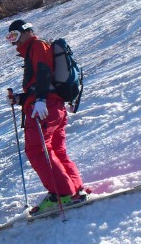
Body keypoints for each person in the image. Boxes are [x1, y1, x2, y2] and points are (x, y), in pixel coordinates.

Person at [6, 19, 87, 213]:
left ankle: (62, 194)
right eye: (9, 38)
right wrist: (19, 99)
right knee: (56, 150)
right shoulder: (36, 48)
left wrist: (40, 99)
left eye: (15, 36)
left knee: (37, 149)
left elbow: (43, 72)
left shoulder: (36, 45)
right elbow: (40, 82)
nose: (13, 42)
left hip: (44, 108)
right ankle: (75, 189)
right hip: (53, 107)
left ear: (26, 32)